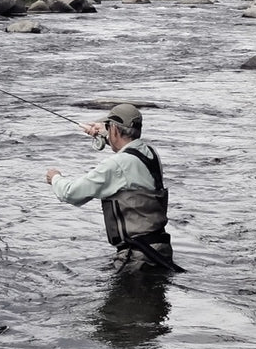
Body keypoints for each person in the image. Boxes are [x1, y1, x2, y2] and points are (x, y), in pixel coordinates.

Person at [45, 102, 181, 273]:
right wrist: (102, 133)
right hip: (160, 250)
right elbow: (128, 149)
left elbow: (71, 193)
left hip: (136, 256)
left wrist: (55, 178)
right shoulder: (151, 153)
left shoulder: (116, 165)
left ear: (115, 130)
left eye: (109, 127)